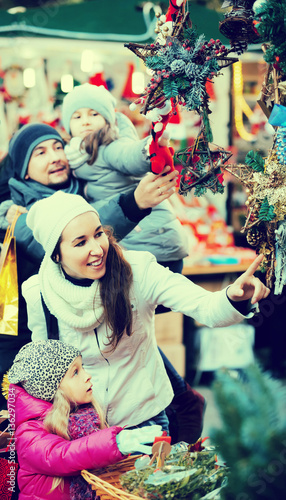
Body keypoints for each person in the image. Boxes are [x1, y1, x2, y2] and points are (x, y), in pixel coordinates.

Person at [22, 191, 270, 432]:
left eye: (99, 234)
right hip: (82, 430)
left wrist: (235, 297)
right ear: (56, 253)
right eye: (81, 242)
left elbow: (205, 307)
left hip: (144, 421)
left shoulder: (138, 272)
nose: (97, 249)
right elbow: (46, 373)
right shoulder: (39, 293)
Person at [0, 122, 177, 411]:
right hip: (34, 340)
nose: (55, 156)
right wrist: (134, 202)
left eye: (58, 147)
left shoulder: (86, 192)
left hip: (100, 330)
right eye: (40, 152)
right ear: (23, 170)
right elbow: (48, 240)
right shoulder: (12, 213)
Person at [8, 339, 162, 500]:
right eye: (75, 372)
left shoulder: (83, 417)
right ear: (53, 388)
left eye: (83, 368)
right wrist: (115, 443)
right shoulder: (28, 433)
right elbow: (63, 455)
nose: (87, 376)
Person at [62, 83, 189, 274]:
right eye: (77, 116)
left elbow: (128, 155)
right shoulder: (77, 152)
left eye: (94, 114)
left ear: (108, 119)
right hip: (135, 237)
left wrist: (149, 149)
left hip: (150, 240)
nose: (85, 121)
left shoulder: (110, 145)